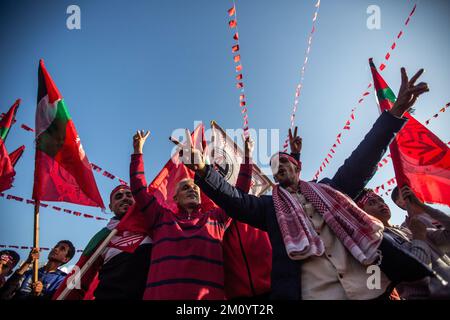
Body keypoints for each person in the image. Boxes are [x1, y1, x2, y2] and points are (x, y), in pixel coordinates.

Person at [183, 67, 429, 299]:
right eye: (274, 168)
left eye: (284, 163)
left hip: (372, 289)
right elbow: (236, 200)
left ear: (298, 167)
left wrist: (393, 115)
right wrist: (204, 170)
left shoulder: (331, 189)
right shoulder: (270, 208)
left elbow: (362, 159)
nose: (278, 169)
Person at [130, 130, 254, 300]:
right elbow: (139, 190)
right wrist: (138, 152)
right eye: (186, 188)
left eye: (195, 188)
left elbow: (239, 197)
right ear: (175, 198)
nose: (192, 190)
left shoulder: (216, 219)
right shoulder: (161, 218)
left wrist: (248, 158)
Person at [52, 185, 153, 300]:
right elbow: (79, 276)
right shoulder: (102, 237)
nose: (125, 198)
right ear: (110, 207)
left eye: (129, 195)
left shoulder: (152, 224)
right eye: (119, 196)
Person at [222, 135, 272, 300]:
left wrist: (247, 156)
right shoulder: (217, 217)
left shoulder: (260, 209)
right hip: (237, 296)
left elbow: (241, 189)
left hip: (274, 287)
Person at [388, 185, 450, 298]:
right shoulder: (408, 227)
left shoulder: (434, 213)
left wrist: (423, 206)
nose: (412, 192)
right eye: (405, 192)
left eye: (412, 189)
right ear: (400, 203)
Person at [1, 241, 75, 299]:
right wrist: (28, 262)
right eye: (56, 246)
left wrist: (39, 295)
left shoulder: (62, 280)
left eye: (62, 249)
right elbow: (5, 293)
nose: (56, 249)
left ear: (66, 259)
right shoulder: (28, 273)